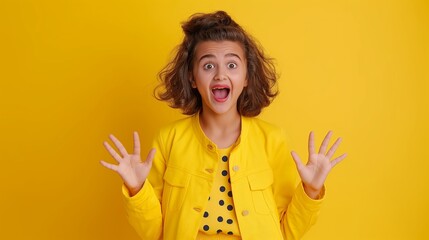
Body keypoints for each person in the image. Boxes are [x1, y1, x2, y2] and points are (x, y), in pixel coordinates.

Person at [100, 11, 346, 240]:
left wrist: (311, 190)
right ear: (192, 77)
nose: (220, 75)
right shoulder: (168, 139)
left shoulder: (273, 139)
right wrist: (136, 189)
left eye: (231, 65)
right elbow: (155, 232)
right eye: (208, 65)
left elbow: (287, 231)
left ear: (247, 77)